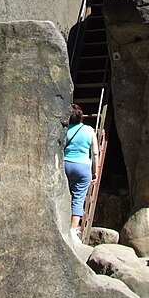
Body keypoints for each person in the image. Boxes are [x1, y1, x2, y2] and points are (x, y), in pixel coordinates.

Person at [64, 104, 98, 242]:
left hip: (65, 164)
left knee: (65, 195)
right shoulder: (89, 130)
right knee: (78, 198)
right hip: (83, 167)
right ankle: (73, 231)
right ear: (81, 116)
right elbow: (95, 153)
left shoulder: (65, 130)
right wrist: (94, 172)